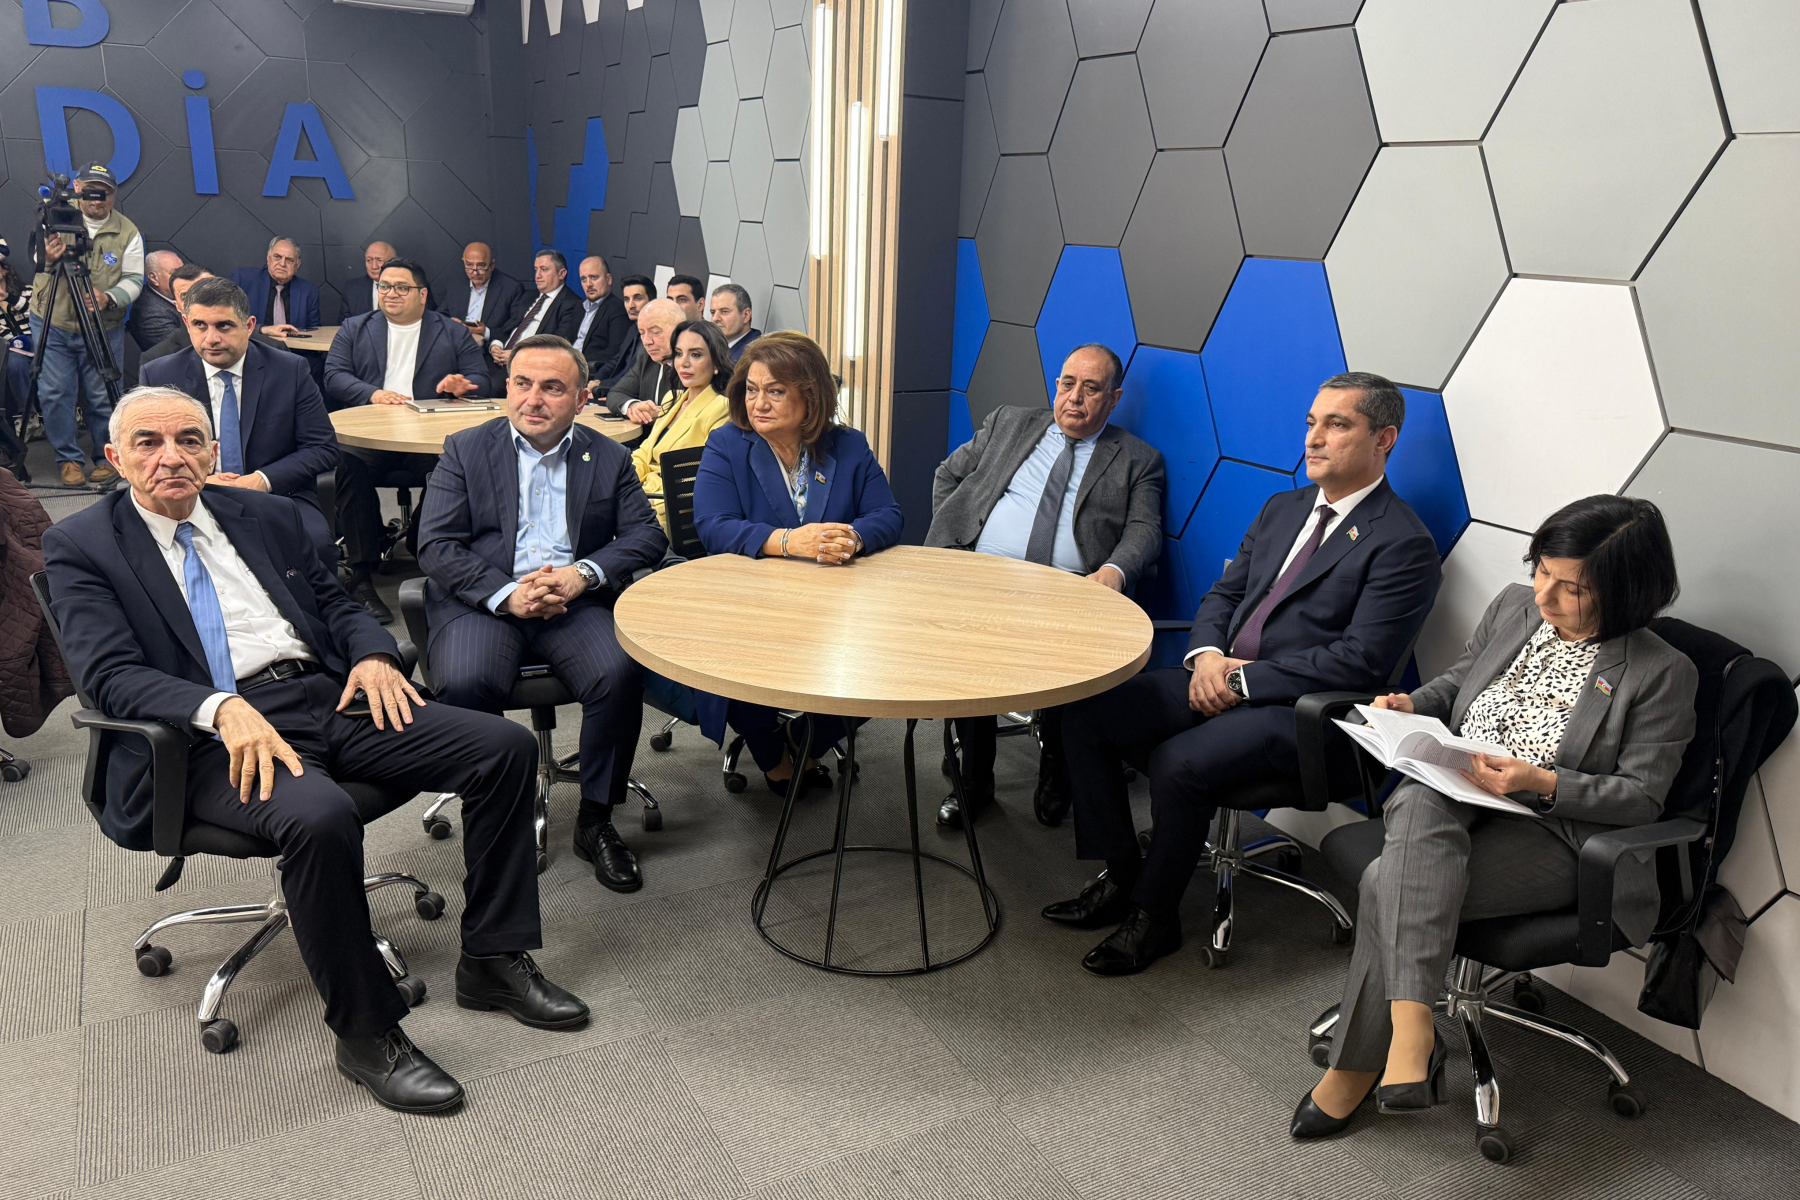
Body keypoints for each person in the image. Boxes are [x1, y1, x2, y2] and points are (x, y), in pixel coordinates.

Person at [43, 385, 589, 1114]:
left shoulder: (264, 515)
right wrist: (219, 706)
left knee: (502, 747)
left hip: (323, 694)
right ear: (116, 457)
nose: (171, 457)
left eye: (189, 440)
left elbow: (336, 604)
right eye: (149, 442)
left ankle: (492, 959)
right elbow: (108, 675)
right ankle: (367, 1035)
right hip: (207, 736)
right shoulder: (83, 544)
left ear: (213, 451)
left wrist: (373, 655)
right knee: (321, 817)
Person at [1294, 495, 1695, 1139]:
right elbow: (1460, 683)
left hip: (1556, 833)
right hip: (1456, 794)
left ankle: (1364, 1062)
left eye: (1571, 588)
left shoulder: (1659, 672)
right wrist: (1412, 705)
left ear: (1625, 593)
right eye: (1541, 571)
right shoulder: (1514, 607)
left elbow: (1641, 798)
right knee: (1421, 795)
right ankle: (1412, 1032)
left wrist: (1543, 783)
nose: (1545, 596)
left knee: (1385, 881)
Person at [1047, 371, 1442, 976]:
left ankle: (1154, 917)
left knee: (1179, 761)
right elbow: (1224, 595)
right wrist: (1207, 658)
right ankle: (1125, 876)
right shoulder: (1284, 508)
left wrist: (1241, 681)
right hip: (1219, 673)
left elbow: (1360, 660)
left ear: (1383, 439)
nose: (1314, 438)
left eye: (1337, 424)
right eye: (1312, 422)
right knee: (1086, 713)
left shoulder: (1403, 543)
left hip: (1304, 712)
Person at [417, 335, 667, 893]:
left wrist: (583, 574)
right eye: (522, 384)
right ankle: (493, 823)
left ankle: (595, 821)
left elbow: (646, 536)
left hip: (571, 602)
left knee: (618, 673)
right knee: (465, 680)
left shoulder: (608, 455)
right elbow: (435, 544)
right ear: (507, 388)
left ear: (581, 399)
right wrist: (506, 594)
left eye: (553, 388)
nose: (533, 399)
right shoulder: (465, 449)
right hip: (486, 602)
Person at [926, 343, 1165, 830]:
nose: (1074, 397)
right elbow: (949, 474)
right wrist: (954, 540)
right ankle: (974, 781)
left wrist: (1113, 572)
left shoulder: (1138, 460)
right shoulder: (1009, 422)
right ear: (1056, 385)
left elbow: (1144, 531)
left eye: (1090, 388)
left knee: (1067, 668)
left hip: (1070, 591)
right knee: (970, 665)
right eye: (1067, 384)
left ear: (1114, 398)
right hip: (982, 577)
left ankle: (1057, 768)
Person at [692, 332, 905, 792]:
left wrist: (851, 538)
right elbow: (713, 525)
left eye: (775, 391)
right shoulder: (727, 444)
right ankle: (771, 752)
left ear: (810, 396)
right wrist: (788, 541)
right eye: (752, 389)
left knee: (895, 658)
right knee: (738, 665)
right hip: (751, 605)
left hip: (836, 603)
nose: (758, 403)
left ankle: (806, 736)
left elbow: (888, 516)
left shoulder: (847, 445)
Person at [325, 258, 488, 623]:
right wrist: (372, 393)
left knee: (457, 463)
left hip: (426, 440)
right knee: (348, 465)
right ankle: (362, 577)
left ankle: (421, 540)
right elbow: (334, 375)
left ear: (422, 294)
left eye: (401, 287)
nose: (391, 293)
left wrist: (463, 386)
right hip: (370, 438)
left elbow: (482, 377)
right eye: (384, 286)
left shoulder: (451, 331)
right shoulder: (355, 328)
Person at [142, 277, 339, 566]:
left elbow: (323, 448)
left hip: (276, 493)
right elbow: (145, 453)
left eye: (223, 326)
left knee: (317, 545)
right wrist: (198, 482)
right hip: (188, 495)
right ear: (186, 323)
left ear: (249, 326)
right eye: (200, 325)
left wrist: (261, 480)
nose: (211, 338)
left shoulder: (289, 370)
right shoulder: (159, 376)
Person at [28, 163, 141, 487]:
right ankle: (68, 459)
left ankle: (107, 458)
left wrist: (109, 297)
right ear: (77, 188)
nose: (97, 198)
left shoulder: (127, 231)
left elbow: (135, 278)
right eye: (91, 190)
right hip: (53, 319)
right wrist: (48, 258)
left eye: (104, 192)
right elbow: (36, 261)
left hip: (102, 324)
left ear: (113, 194)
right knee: (55, 393)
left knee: (102, 394)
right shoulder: (56, 216)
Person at [633, 319, 733, 535]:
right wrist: (625, 484)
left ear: (716, 363)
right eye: (679, 354)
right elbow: (644, 452)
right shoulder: (672, 398)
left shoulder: (721, 408)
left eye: (696, 355)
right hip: (643, 494)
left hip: (672, 507)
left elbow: (699, 478)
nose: (683, 363)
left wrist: (649, 501)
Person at [142, 265, 284, 366]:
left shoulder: (276, 352)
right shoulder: (156, 362)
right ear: (177, 306)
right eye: (186, 296)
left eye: (208, 292)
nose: (200, 301)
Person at [489, 250, 581, 371]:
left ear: (561, 274)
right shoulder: (527, 296)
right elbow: (508, 327)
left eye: (544, 269)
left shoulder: (572, 304)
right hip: (499, 359)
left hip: (529, 367)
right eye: (536, 269)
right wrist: (496, 345)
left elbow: (557, 346)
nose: (538, 275)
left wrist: (518, 356)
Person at [604, 298, 682, 426]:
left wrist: (659, 414)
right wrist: (633, 406)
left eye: (655, 332)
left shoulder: (695, 364)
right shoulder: (646, 357)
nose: (646, 341)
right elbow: (615, 393)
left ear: (679, 331)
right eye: (642, 333)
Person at [439, 241, 526, 351]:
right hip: (454, 346)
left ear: (492, 265)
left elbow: (515, 329)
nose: (475, 272)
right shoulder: (455, 284)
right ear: (463, 262)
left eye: (481, 266)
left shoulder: (511, 288)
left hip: (486, 349)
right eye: (469, 265)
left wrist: (486, 332)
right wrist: (450, 322)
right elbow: (440, 315)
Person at [230, 237, 320, 338]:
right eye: (277, 257)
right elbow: (227, 322)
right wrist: (262, 330)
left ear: (297, 265)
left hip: (293, 347)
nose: (282, 264)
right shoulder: (242, 280)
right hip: (254, 346)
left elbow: (315, 333)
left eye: (289, 260)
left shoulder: (308, 292)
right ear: (268, 259)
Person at [573, 257, 631, 381]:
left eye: (594, 277)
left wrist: (576, 361)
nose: (588, 284)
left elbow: (614, 352)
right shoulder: (578, 307)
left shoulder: (617, 309)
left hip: (586, 371)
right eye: (584, 279)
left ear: (608, 279)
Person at [597, 274, 655, 388]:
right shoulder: (632, 329)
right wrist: (596, 379)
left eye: (638, 298)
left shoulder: (654, 335)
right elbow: (617, 360)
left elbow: (632, 374)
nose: (631, 305)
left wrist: (601, 385)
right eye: (626, 299)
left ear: (651, 301)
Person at [0, 242, 32, 431]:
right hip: (11, 352)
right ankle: (28, 416)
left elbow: (37, 315)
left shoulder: (26, 291)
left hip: (40, 344)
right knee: (14, 360)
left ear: (4, 271)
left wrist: (9, 298)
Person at [127, 249, 185, 352]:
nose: (184, 278)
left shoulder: (176, 293)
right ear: (154, 278)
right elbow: (185, 348)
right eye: (175, 273)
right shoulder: (151, 314)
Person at [340, 241, 397, 318]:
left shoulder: (407, 288)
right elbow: (344, 324)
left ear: (393, 262)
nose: (374, 266)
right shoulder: (352, 289)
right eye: (369, 260)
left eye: (379, 260)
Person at [708, 283, 761, 363]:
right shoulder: (712, 347)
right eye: (713, 312)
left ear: (746, 315)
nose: (715, 318)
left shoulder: (756, 355)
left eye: (724, 311)